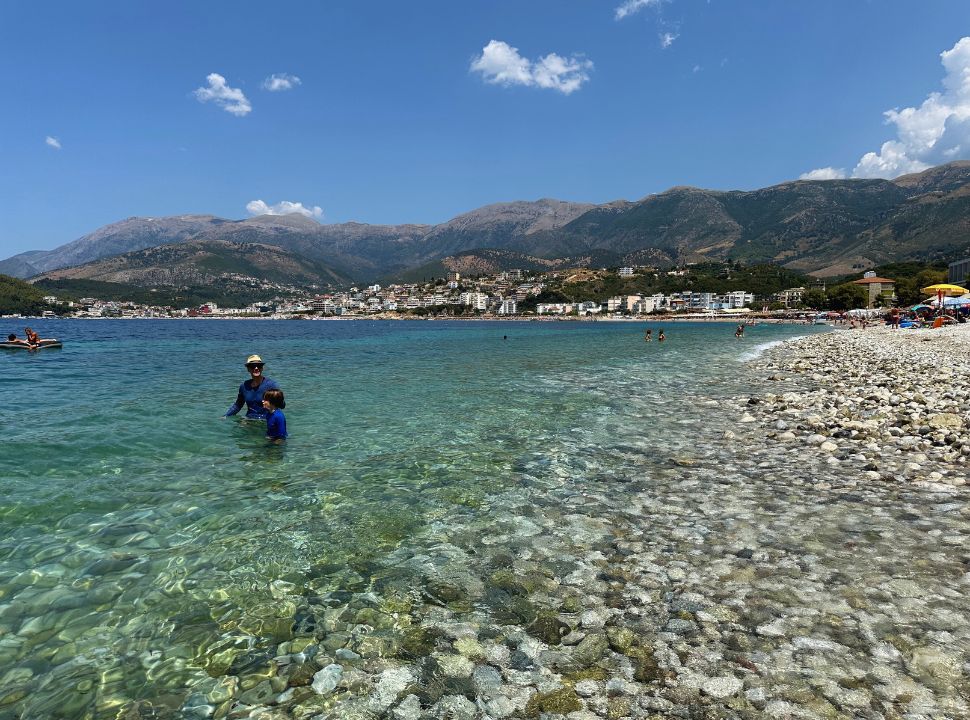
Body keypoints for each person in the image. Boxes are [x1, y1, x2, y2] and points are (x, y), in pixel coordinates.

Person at [224, 354, 280, 420]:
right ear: (248, 369)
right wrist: (226, 416)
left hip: (265, 420)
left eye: (259, 366)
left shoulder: (271, 385)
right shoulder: (244, 386)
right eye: (253, 366)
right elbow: (238, 405)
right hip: (249, 419)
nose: (256, 368)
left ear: (262, 368)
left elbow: (279, 405)